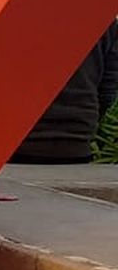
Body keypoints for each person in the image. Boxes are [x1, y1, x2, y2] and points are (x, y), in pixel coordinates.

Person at [10, 20, 118, 164]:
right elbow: (107, 90)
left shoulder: (8, 14)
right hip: (75, 141)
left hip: (10, 144)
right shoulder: (103, 18)